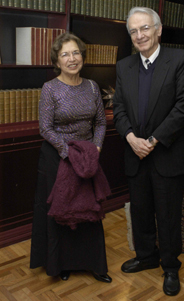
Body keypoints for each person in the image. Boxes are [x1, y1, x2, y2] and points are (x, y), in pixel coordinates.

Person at [113, 7, 184, 296]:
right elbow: (118, 108)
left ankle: (170, 266)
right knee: (141, 209)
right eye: (134, 31)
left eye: (145, 28)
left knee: (169, 214)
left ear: (158, 29)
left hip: (167, 153)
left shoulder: (181, 60)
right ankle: (146, 256)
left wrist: (153, 140)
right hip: (135, 153)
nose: (140, 35)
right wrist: (131, 137)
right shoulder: (124, 66)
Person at [30, 32, 112, 284]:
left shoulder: (91, 86)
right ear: (57, 60)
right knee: (63, 213)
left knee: (89, 211)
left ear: (82, 57)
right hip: (58, 158)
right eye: (65, 54)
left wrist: (96, 148)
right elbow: (45, 128)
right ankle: (62, 264)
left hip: (87, 159)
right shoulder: (50, 88)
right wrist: (68, 153)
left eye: (76, 52)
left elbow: (100, 122)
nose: (72, 58)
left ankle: (94, 264)